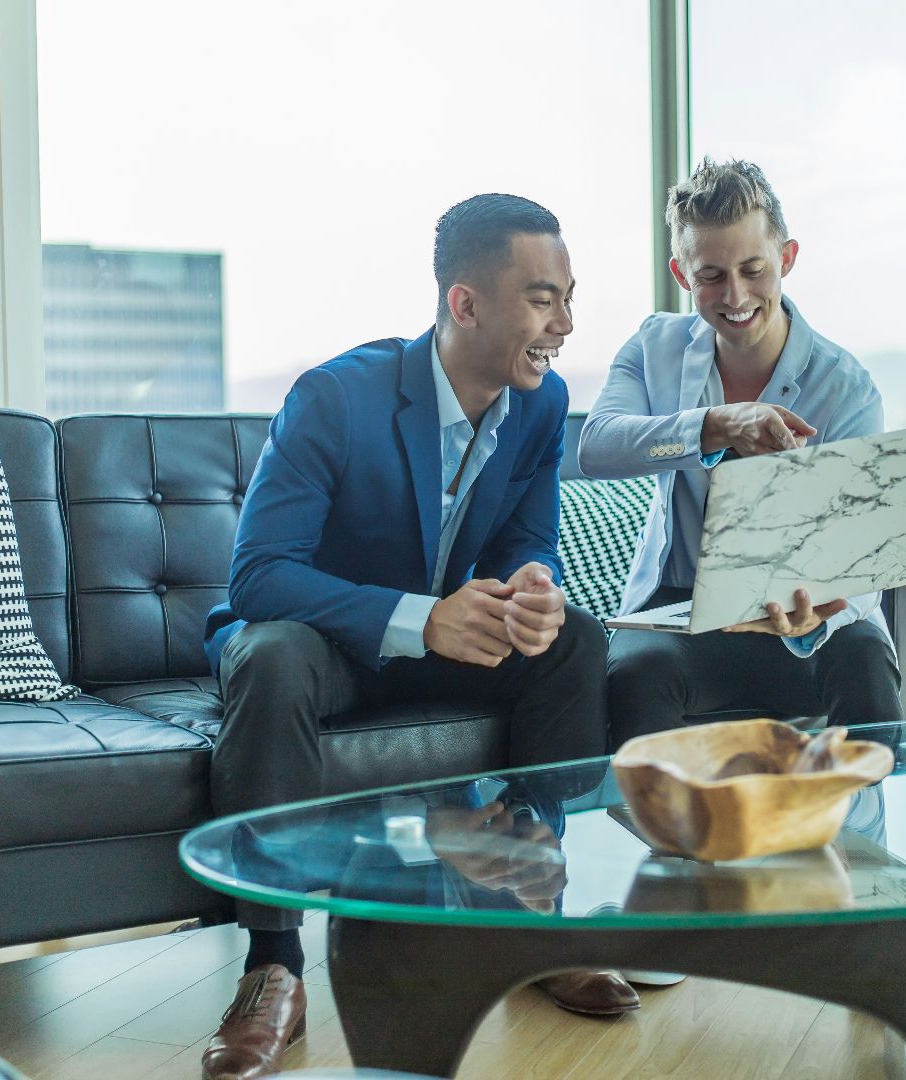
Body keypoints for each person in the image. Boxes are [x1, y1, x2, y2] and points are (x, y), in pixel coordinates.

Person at [197, 194, 627, 1080]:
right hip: (326, 648)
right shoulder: (335, 397)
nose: (566, 324)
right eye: (544, 299)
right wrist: (419, 617)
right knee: (269, 657)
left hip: (448, 646)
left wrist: (534, 583)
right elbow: (259, 577)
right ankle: (273, 967)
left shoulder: (542, 408)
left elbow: (526, 538)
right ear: (465, 304)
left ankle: (527, 900)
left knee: (573, 640)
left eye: (569, 297)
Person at [579, 158, 906, 750]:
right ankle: (665, 842)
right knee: (634, 674)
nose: (735, 296)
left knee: (863, 659)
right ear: (681, 273)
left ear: (788, 257)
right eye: (711, 276)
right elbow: (597, 446)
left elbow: (863, 557)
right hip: (679, 610)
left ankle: (864, 839)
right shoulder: (653, 347)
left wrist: (819, 612)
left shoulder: (846, 387)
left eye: (754, 269)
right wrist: (714, 426)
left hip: (803, 613)